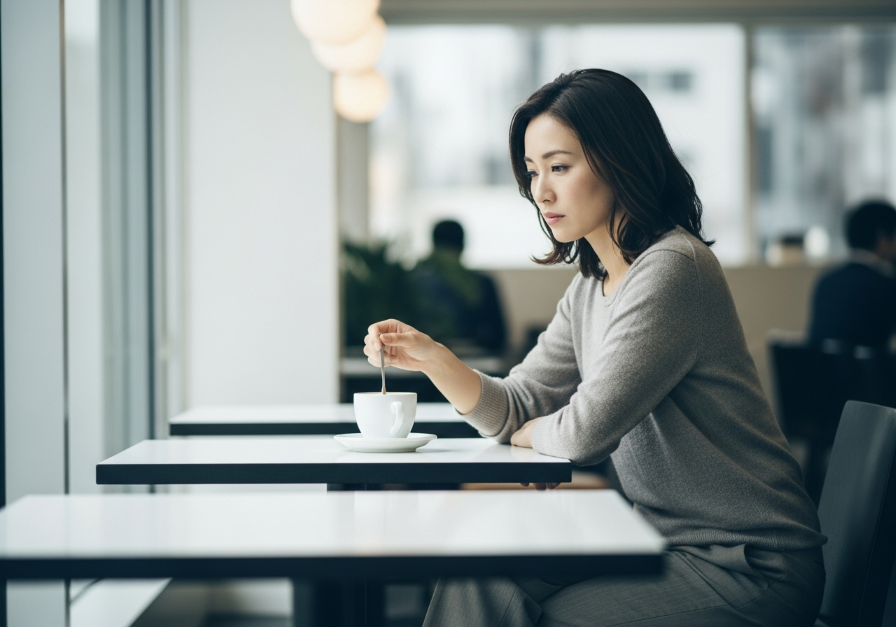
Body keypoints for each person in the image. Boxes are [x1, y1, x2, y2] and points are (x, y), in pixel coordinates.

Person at [364, 69, 825, 626]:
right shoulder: (590, 286)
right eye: (533, 172)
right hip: (658, 541)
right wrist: (434, 359)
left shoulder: (672, 269)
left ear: (620, 160)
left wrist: (533, 432)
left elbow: (582, 433)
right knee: (480, 571)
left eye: (559, 167)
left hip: (747, 564)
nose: (541, 191)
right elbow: (515, 408)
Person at [808, 200, 896, 350]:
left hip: (823, 366)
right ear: (882, 238)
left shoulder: (826, 282)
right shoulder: (887, 286)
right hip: (872, 366)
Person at [411, 220, 507, 354]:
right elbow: (499, 337)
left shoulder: (414, 281)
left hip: (425, 357)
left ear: (433, 245)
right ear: (463, 246)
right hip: (477, 358)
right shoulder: (483, 283)